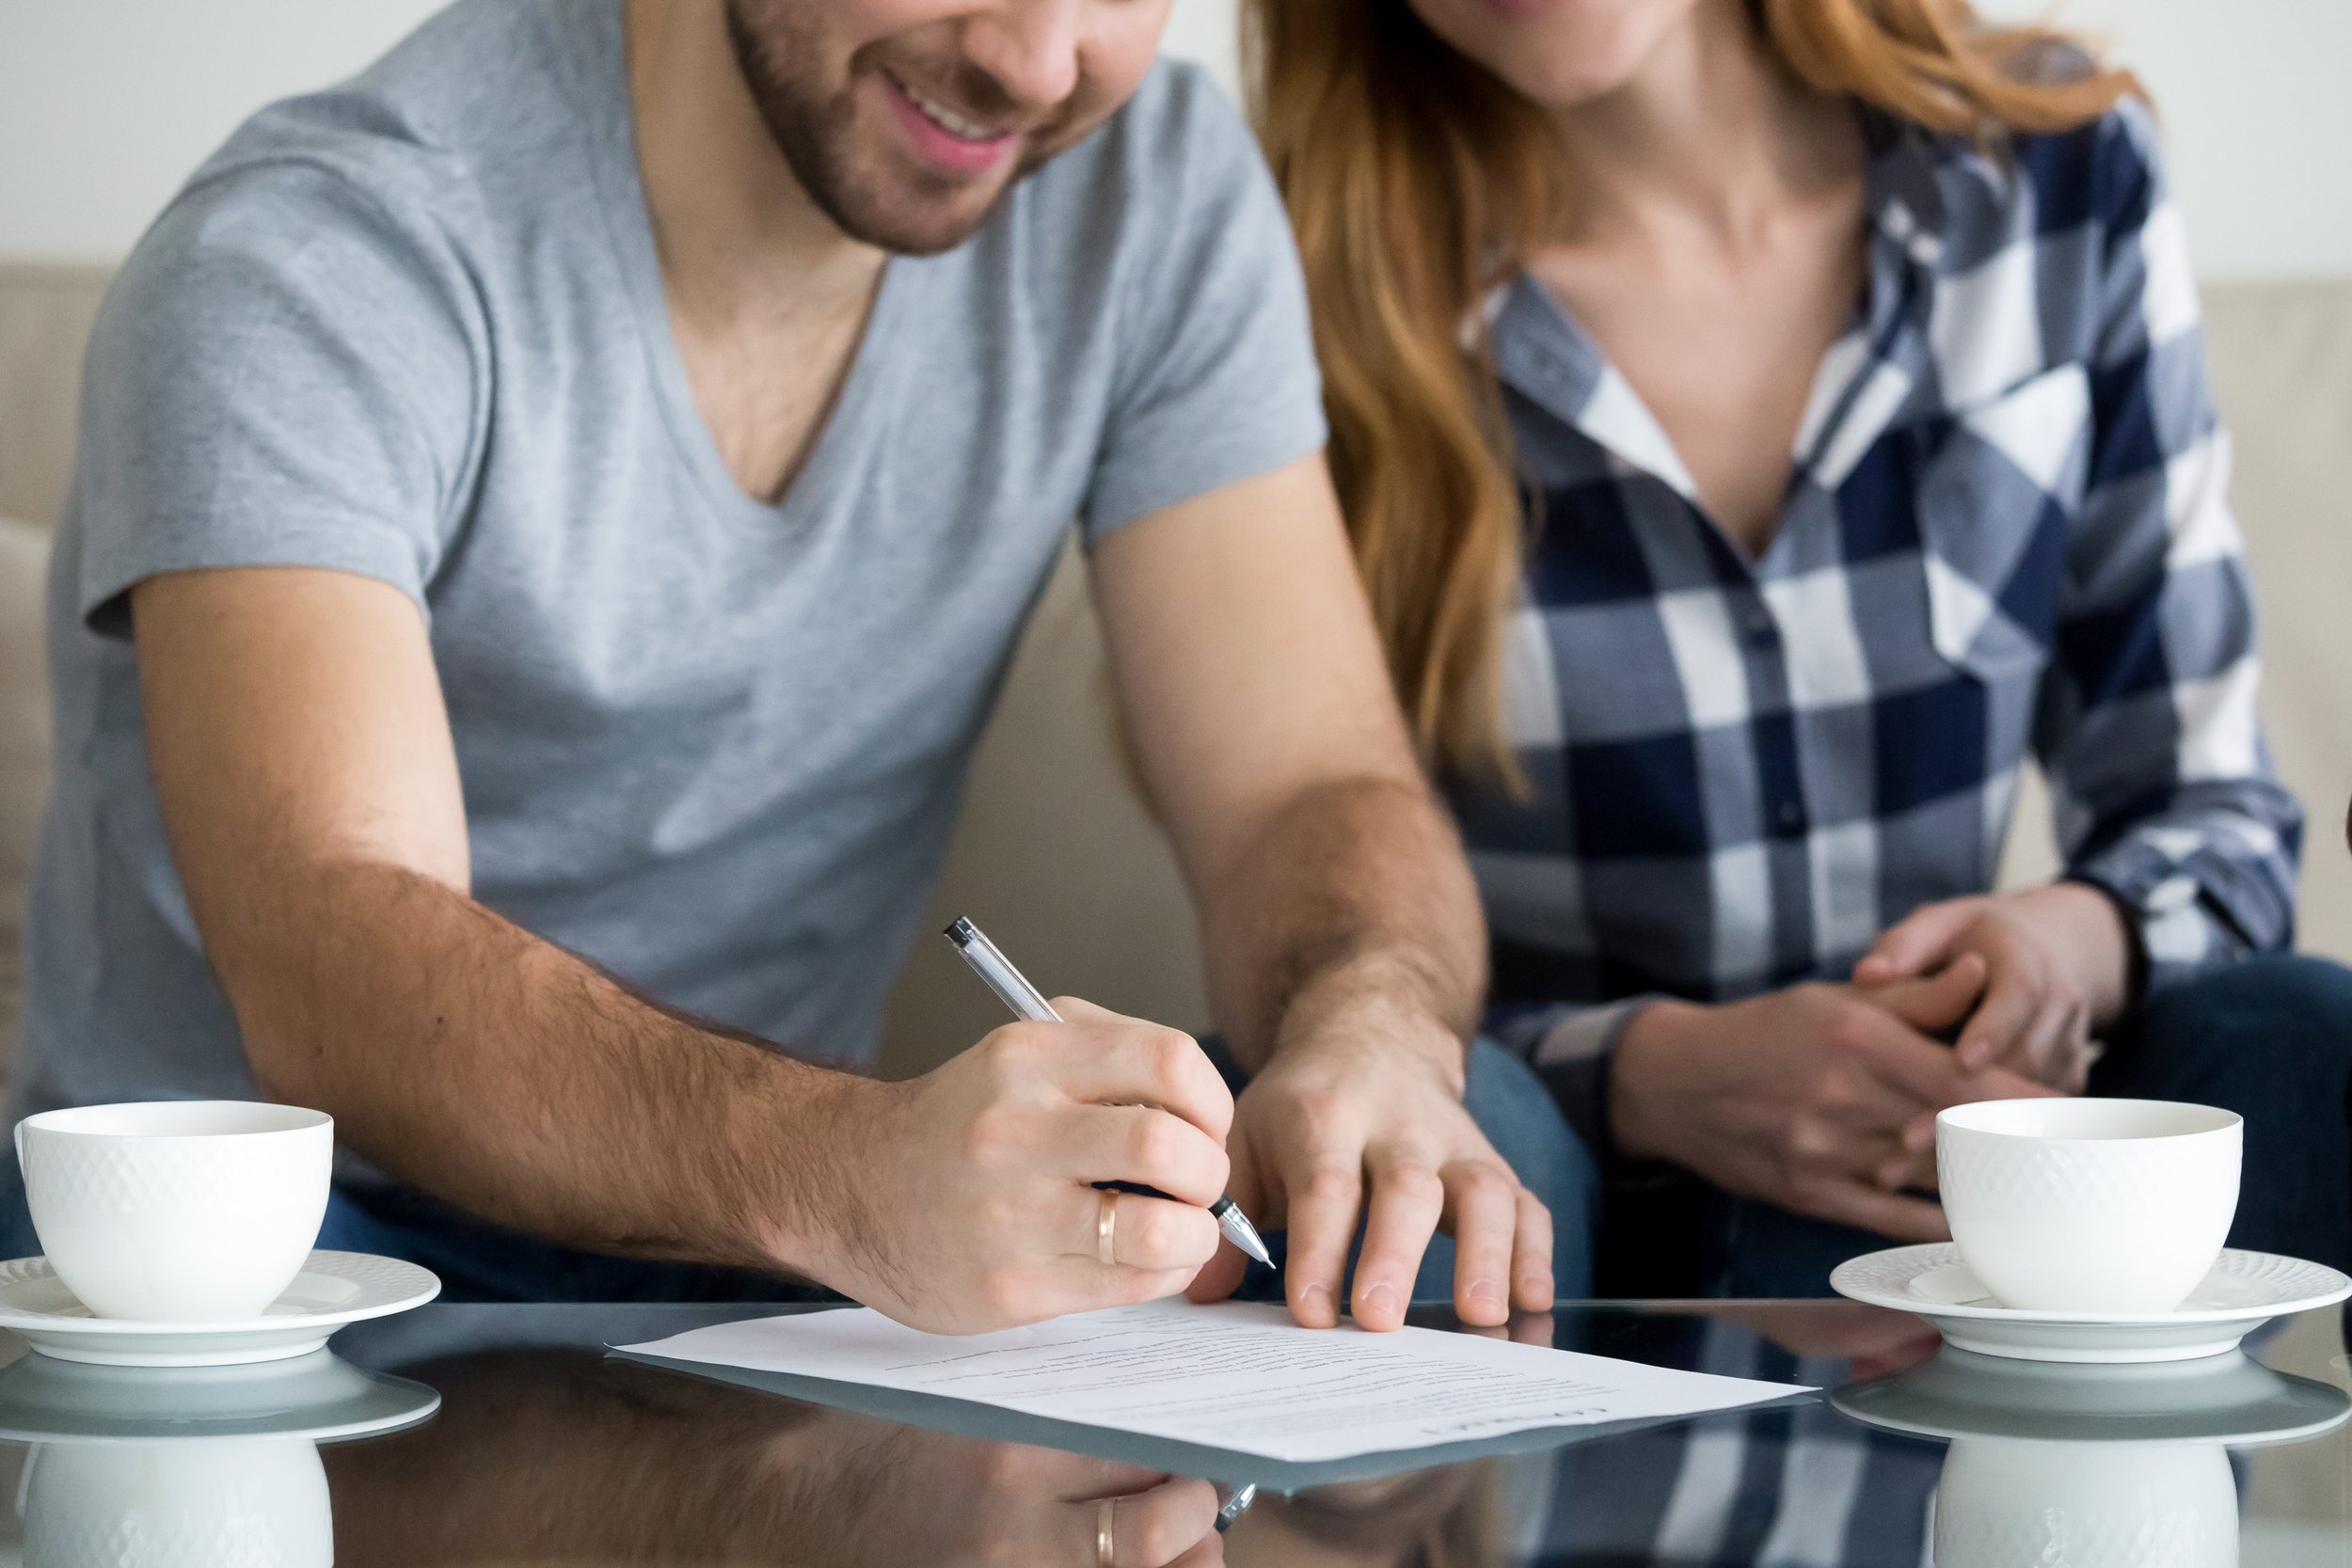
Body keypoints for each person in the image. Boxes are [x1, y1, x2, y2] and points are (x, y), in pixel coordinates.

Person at [11, 0, 1590, 1333]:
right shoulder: (324, 250)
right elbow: (333, 959)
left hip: (763, 1254)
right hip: (270, 1265)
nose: (1040, 63)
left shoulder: (1149, 194)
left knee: (1436, 1180)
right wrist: (853, 1175)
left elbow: (1302, 779)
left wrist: (1369, 1020)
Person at [1242, 0, 2352, 1295]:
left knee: (2298, 1037)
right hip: (1564, 1197)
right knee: (1391, 1167)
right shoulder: (1293, 295)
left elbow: (2213, 810)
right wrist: (1649, 1074)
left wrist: (2065, 944)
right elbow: (1327, 963)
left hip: (1980, 1184)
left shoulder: (2055, 179)